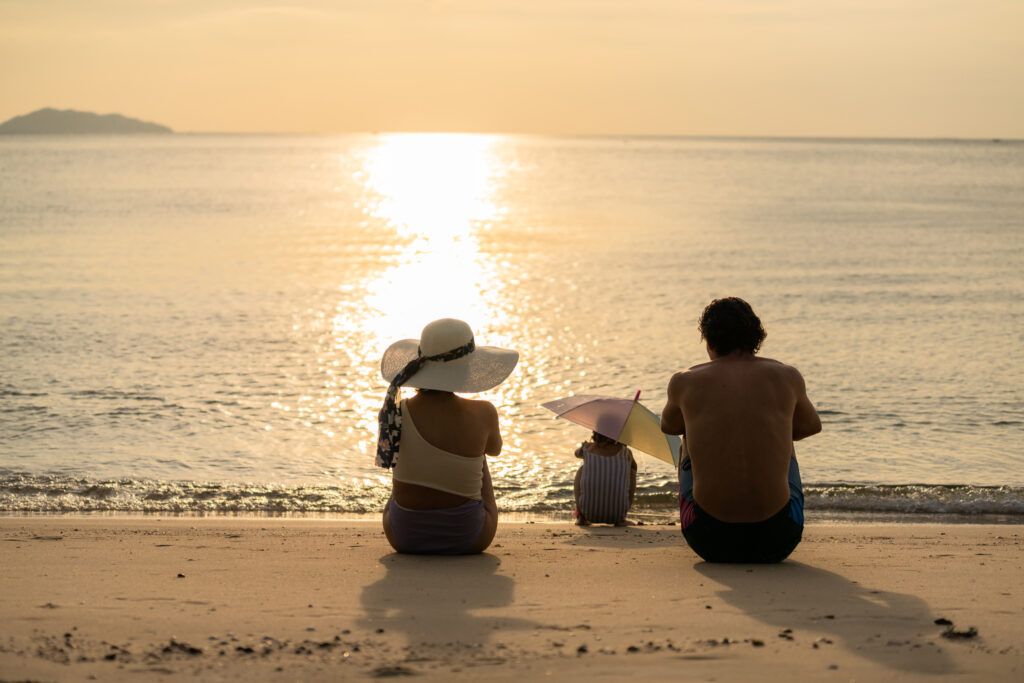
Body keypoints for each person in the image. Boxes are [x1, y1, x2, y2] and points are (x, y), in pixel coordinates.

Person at [660, 297, 821, 563]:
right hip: (779, 537)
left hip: (707, 538)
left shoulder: (685, 381)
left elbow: (669, 426)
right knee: (787, 435)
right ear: (755, 337)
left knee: (687, 433)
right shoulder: (787, 375)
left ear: (709, 341)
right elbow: (811, 426)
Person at [376, 318, 518, 555]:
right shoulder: (484, 412)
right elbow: (495, 449)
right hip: (470, 536)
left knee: (405, 453)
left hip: (403, 536)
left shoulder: (396, 411)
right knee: (479, 455)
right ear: (467, 369)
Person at [573, 431, 637, 526]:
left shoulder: (588, 448)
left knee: (581, 470)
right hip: (617, 515)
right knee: (631, 472)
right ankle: (621, 519)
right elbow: (634, 468)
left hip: (588, 513)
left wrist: (584, 446)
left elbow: (576, 454)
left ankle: (581, 517)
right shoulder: (626, 452)